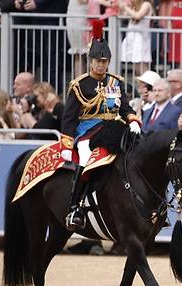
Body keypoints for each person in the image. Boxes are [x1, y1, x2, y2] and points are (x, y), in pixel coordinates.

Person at [61, 19, 142, 231]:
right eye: (97, 61)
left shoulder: (116, 82)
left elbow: (124, 107)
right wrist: (67, 145)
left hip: (114, 126)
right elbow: (69, 118)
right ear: (90, 61)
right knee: (86, 156)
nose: (101, 65)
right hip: (87, 130)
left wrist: (133, 120)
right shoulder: (79, 85)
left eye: (105, 62)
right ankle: (75, 206)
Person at [119, 0, 153, 77]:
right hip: (131, 38)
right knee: (136, 67)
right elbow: (123, 15)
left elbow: (138, 16)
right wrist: (122, 8)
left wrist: (126, 8)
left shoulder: (146, 4)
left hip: (141, 39)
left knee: (142, 65)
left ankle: (148, 86)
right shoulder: (134, 6)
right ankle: (140, 87)